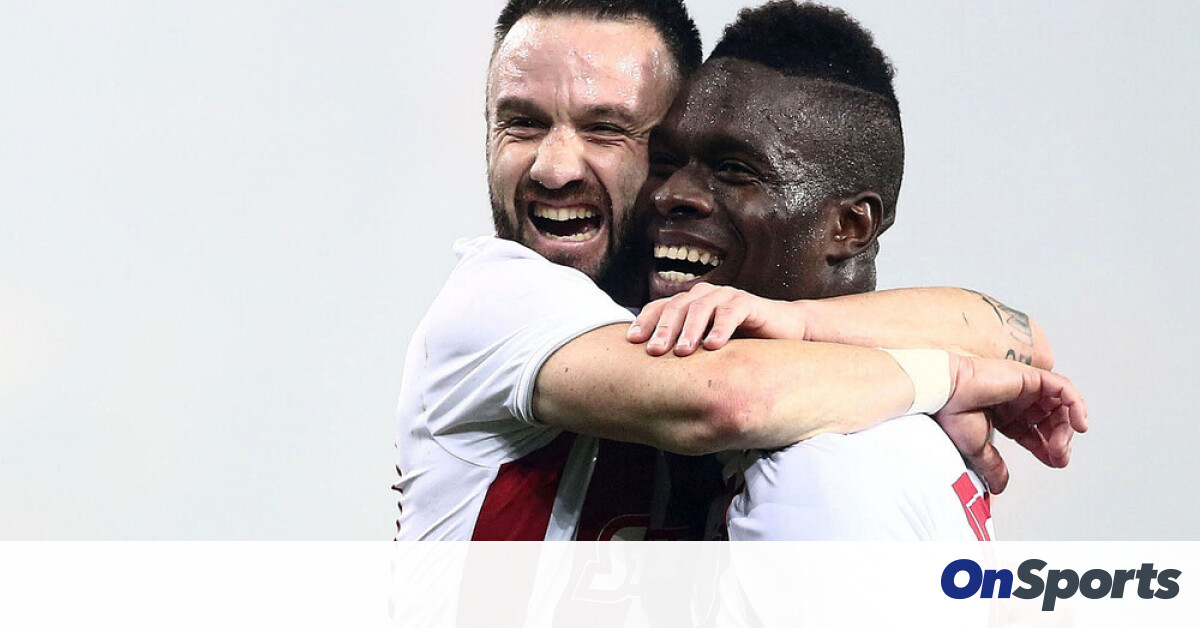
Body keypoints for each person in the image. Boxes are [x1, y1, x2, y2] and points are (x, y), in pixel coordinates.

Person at [393, 0, 1086, 541]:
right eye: (520, 123)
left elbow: (1022, 342)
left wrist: (798, 323)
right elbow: (728, 399)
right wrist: (948, 379)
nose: (552, 168)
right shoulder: (497, 296)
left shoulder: (832, 455)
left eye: (607, 129)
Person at [629, 1, 1080, 539]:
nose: (671, 194)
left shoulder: (824, 474)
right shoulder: (861, 421)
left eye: (733, 170)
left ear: (850, 226)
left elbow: (1030, 343)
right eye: (665, 162)